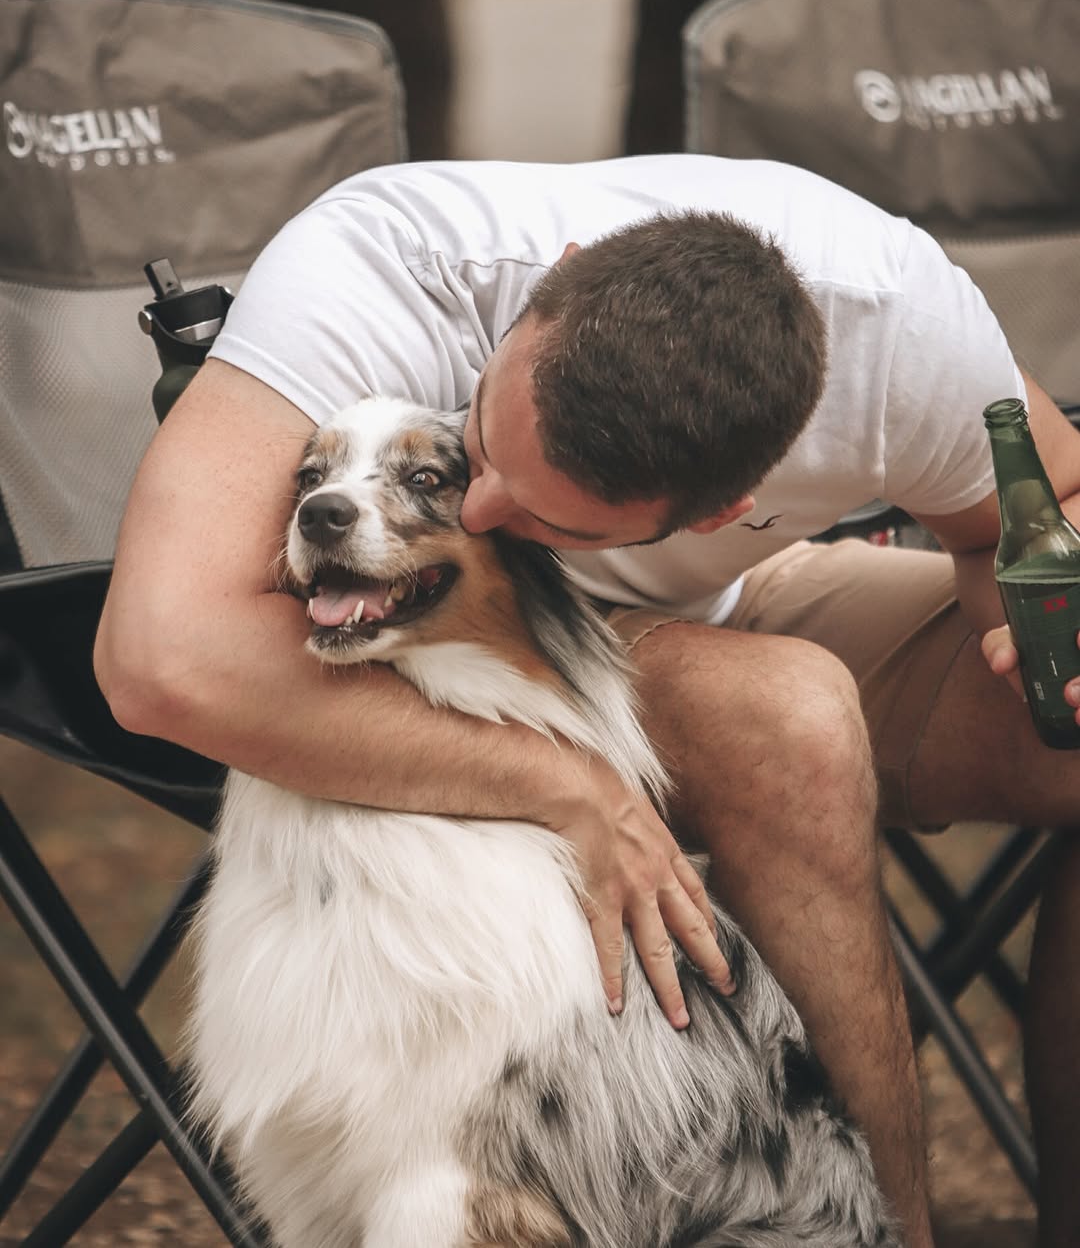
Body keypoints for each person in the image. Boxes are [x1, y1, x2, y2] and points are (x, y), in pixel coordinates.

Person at [94, 154, 1080, 1248]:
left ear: (722, 509)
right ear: (551, 288)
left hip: (745, 595)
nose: (480, 499)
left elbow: (1048, 500)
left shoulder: (908, 329)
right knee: (787, 720)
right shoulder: (374, 270)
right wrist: (569, 785)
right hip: (508, 647)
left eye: (547, 514)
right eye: (482, 444)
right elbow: (159, 656)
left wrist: (1044, 629)